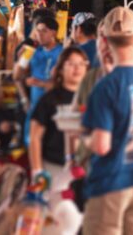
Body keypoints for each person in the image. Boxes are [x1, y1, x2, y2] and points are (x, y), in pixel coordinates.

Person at [83, 7, 133, 235]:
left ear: (104, 39)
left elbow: (101, 145)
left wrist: (83, 138)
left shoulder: (106, 86)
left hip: (111, 182)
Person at [30, 45, 91, 224]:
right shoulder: (49, 99)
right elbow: (35, 137)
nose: (76, 68)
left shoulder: (92, 98)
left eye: (81, 64)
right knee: (56, 221)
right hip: (54, 168)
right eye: (71, 63)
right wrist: (37, 170)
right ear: (61, 68)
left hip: (85, 169)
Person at [20, 13, 64, 138]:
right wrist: (24, 99)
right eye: (37, 31)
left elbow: (64, 81)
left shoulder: (62, 53)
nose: (39, 34)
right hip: (35, 106)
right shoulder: (32, 51)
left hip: (55, 108)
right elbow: (18, 76)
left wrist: (41, 83)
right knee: (31, 142)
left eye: (44, 31)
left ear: (54, 33)